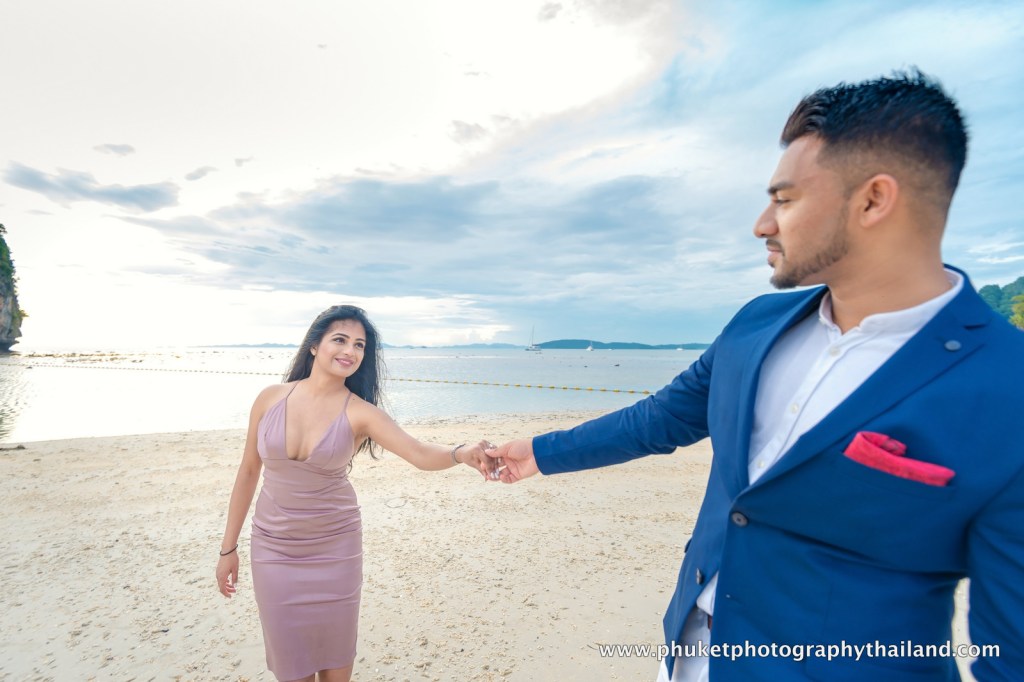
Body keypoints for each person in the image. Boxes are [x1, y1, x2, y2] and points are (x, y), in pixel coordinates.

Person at [488, 70, 1024, 681]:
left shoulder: (1010, 388)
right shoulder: (755, 326)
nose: (762, 224)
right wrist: (539, 451)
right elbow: (662, 418)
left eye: (785, 198)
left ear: (874, 200)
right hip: (688, 658)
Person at [215, 304, 495, 682]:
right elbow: (248, 471)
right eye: (340, 340)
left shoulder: (361, 412)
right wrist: (227, 548)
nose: (350, 351)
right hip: (274, 550)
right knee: (290, 667)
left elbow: (418, 453)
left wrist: (461, 453)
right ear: (315, 345)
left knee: (335, 665)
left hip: (335, 549)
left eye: (360, 345)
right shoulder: (269, 398)